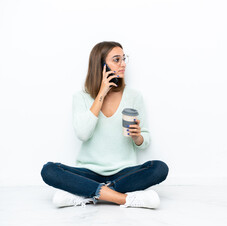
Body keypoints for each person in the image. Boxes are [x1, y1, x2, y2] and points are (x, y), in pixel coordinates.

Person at [41, 41, 169, 209]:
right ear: (100, 65)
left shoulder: (134, 96)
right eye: (116, 59)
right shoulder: (81, 98)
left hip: (124, 172)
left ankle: (86, 194)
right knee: (49, 170)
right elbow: (83, 134)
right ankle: (122, 198)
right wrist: (101, 93)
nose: (123, 64)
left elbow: (145, 142)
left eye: (124, 59)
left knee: (160, 168)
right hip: (88, 172)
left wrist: (138, 136)